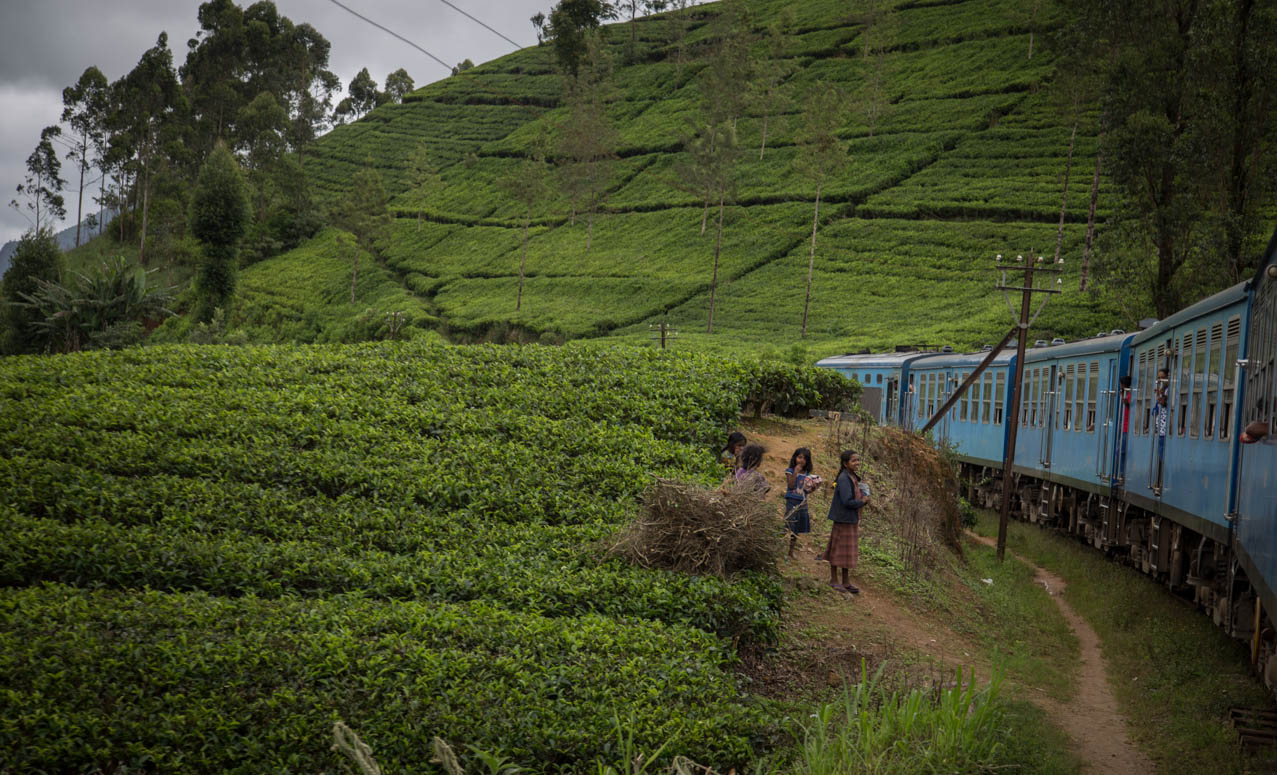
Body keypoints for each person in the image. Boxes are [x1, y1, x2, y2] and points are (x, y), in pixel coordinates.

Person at [822, 449, 867, 594]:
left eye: (857, 460)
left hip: (850, 519)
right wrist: (862, 501)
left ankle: (846, 582)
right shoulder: (843, 478)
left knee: (846, 552)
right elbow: (847, 501)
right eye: (854, 460)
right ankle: (834, 580)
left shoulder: (851, 476)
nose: (857, 463)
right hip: (843, 519)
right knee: (837, 550)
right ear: (845, 463)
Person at [783, 447, 820, 558]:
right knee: (788, 524)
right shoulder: (790, 471)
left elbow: (807, 491)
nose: (801, 460)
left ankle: (791, 550)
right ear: (795, 458)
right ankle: (780, 546)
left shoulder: (808, 475)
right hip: (792, 501)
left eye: (804, 458)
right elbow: (791, 485)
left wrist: (814, 487)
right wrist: (795, 472)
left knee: (797, 527)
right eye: (799, 457)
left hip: (802, 503)